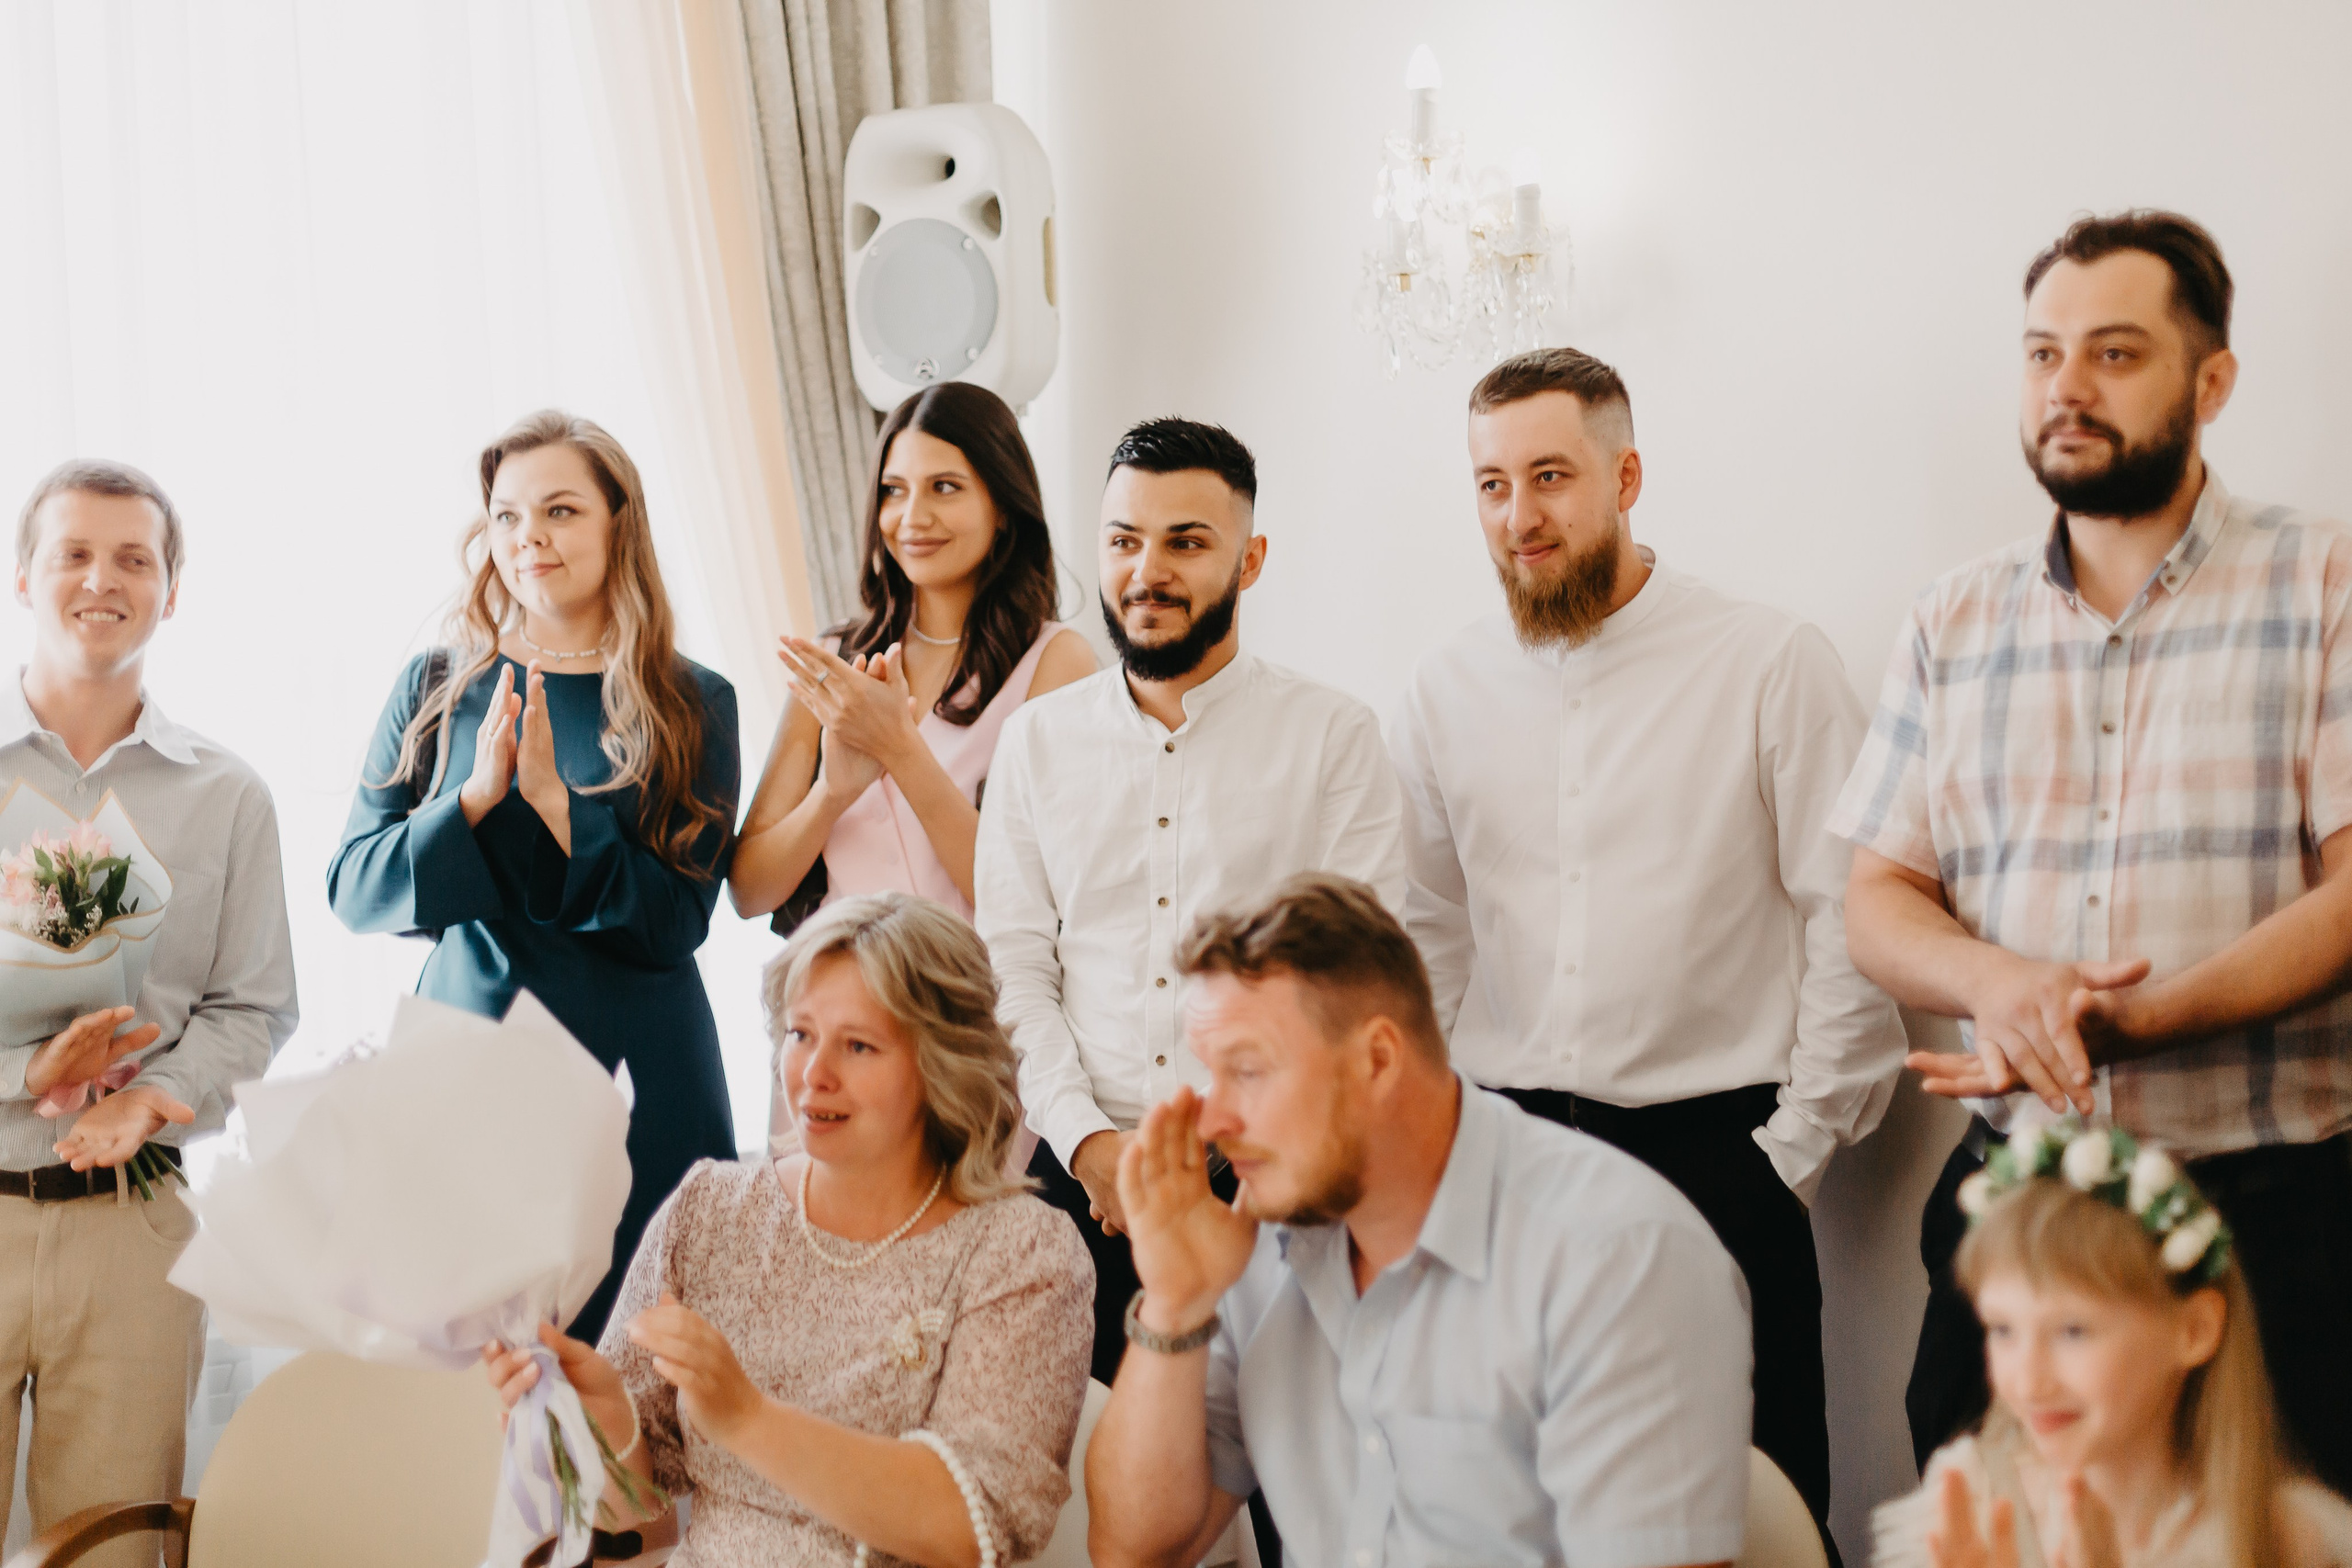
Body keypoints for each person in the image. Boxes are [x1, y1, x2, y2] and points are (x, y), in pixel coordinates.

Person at [1833, 210, 2352, 1491]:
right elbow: (1878, 894)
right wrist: (2003, 986)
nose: (2066, 385)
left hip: (2271, 1210)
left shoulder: (2327, 581)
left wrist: (2150, 1017)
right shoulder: (1950, 616)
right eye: (2042, 352)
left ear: (2210, 379)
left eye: (2114, 353)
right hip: (2015, 1199)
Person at [1387, 344, 1905, 1533]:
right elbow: (1422, 937)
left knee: (1746, 1510)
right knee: (1513, 1512)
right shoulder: (1439, 689)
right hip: (1504, 1161)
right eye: (1491, 483)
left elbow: (1852, 917)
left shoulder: (1770, 661)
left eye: (1552, 475)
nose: (1520, 514)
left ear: (1627, 476)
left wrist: (1786, 1160)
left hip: (1722, 1157)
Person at [1083, 873, 1752, 1568]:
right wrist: (1174, 1302)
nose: (1214, 1123)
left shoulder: (1620, 1258)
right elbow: (1134, 1548)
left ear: (1377, 1060)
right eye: (1210, 1077)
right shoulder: (1254, 1245)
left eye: (1249, 1072)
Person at [975, 416, 1408, 1391]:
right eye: (1125, 541)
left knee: (1299, 1495)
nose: (1147, 571)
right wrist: (1088, 1143)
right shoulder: (1035, 743)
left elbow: (1357, 981)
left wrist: (1236, 1149)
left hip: (1279, 1181)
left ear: (1249, 560)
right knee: (1097, 1501)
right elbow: (1013, 963)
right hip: (1078, 1188)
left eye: (1186, 542)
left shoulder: (1334, 738)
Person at [484, 893, 1094, 1568]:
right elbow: (640, 1521)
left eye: (858, 1045)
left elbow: (972, 1528)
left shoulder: (1023, 1251)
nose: (814, 1075)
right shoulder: (710, 1208)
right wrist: (602, 1419)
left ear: (942, 1064)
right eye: (801, 1034)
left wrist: (749, 1418)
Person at [331, 411, 739, 1342]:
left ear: (616, 526)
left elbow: (679, 919)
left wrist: (565, 811)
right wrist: (469, 803)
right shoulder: (434, 683)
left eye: (558, 511)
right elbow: (353, 887)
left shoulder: (692, 700)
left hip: (642, 1074)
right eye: (508, 517)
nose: (529, 540)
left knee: (642, 1380)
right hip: (468, 1064)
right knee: (471, 1388)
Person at [0, 461, 299, 1568]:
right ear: (20, 575)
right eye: (72, 552)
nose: (101, 579)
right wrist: (26, 1078)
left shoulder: (227, 795)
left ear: (172, 591)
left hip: (131, 1228)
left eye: (135, 558)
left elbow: (255, 1007)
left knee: (116, 1549)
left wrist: (159, 1099)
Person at [1872, 1118, 2352, 1568]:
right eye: (2003, 1329)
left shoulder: (2291, 1540)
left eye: (2073, 1331)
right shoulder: (1964, 1514)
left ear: (2194, 1330)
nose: (2028, 1381)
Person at [729, 380, 1094, 928]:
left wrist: (900, 749)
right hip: (838, 1000)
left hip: (976, 1004)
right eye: (894, 490)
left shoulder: (1055, 662)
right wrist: (832, 792)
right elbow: (749, 892)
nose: (912, 516)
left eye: (945, 487)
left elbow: (1023, 893)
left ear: (1002, 508)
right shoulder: (837, 658)